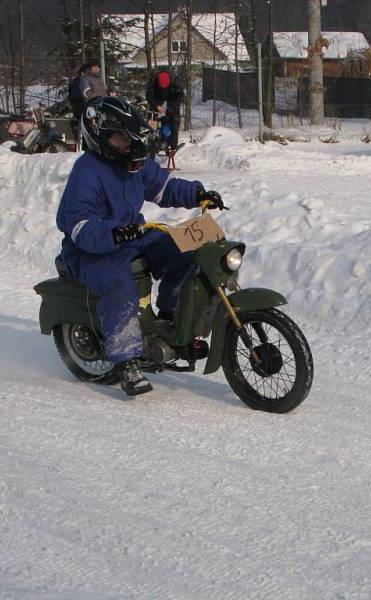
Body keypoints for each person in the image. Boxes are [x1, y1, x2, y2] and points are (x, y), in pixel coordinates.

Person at [55, 96, 225, 397]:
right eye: (121, 138)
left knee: (187, 247)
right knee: (120, 288)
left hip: (132, 234)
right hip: (93, 249)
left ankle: (173, 321)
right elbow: (80, 226)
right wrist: (115, 233)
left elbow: (163, 187)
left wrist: (198, 195)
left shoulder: (132, 163)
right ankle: (126, 362)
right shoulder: (87, 172)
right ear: (100, 136)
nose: (128, 143)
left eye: (130, 136)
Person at [146, 68, 184, 151]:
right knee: (152, 117)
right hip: (158, 96)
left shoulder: (175, 81)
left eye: (164, 86)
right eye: (161, 86)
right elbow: (149, 96)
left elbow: (180, 96)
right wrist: (157, 106)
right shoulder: (153, 79)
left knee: (175, 119)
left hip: (172, 97)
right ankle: (150, 141)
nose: (163, 87)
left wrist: (171, 107)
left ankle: (172, 145)